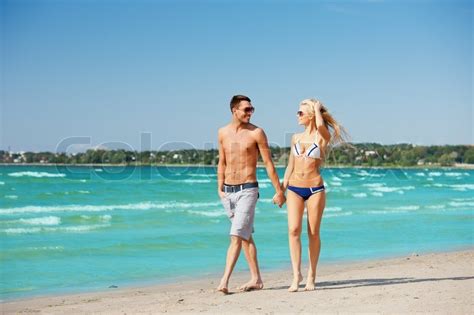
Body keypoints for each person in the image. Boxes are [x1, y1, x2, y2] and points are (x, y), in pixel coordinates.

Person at [217, 95, 286, 294]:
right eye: (246, 109)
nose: (250, 112)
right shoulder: (222, 132)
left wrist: (279, 191)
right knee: (245, 236)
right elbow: (222, 161)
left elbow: (269, 164)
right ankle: (256, 279)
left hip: (248, 189)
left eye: (251, 109)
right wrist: (219, 187)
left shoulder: (257, 133)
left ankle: (224, 281)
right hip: (228, 192)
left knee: (236, 235)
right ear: (234, 110)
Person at [282, 98, 347, 292]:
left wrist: (317, 108)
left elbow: (320, 125)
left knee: (313, 233)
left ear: (311, 115)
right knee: (293, 230)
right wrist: (281, 189)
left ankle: (311, 275)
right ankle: (296, 275)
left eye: (300, 113)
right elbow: (290, 166)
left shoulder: (322, 137)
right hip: (294, 187)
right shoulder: (295, 137)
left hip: (315, 190)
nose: (297, 115)